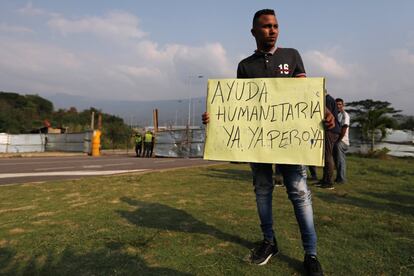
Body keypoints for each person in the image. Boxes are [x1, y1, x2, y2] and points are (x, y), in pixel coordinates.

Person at [202, 9, 330, 275]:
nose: (272, 30)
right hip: (257, 143)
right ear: (253, 32)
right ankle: (269, 242)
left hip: (291, 141)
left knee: (299, 192)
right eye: (265, 26)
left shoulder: (291, 56)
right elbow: (236, 105)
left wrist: (324, 111)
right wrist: (215, 118)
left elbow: (305, 95)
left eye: (275, 25)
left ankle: (311, 253)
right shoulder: (245, 66)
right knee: (262, 189)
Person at [318, 93, 340, 189]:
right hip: (333, 130)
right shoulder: (330, 99)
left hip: (330, 130)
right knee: (327, 155)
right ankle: (325, 179)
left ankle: (328, 182)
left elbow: (327, 116)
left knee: (327, 155)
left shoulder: (327, 99)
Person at [334, 98, 350, 183]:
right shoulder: (337, 114)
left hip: (342, 141)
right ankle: (338, 178)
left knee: (341, 160)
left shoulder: (345, 115)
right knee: (337, 160)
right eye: (336, 104)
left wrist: (338, 141)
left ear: (343, 105)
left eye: (340, 104)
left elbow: (344, 128)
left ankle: (342, 179)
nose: (338, 106)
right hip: (337, 140)